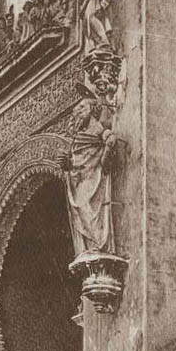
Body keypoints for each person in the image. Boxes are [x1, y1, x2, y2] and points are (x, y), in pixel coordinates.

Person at [60, 85, 117, 254]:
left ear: (91, 110)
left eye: (82, 107)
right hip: (79, 180)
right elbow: (75, 162)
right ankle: (88, 248)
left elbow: (110, 140)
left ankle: (98, 246)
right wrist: (67, 164)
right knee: (80, 210)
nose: (77, 111)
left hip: (93, 179)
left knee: (90, 212)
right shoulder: (78, 135)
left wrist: (107, 151)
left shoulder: (96, 128)